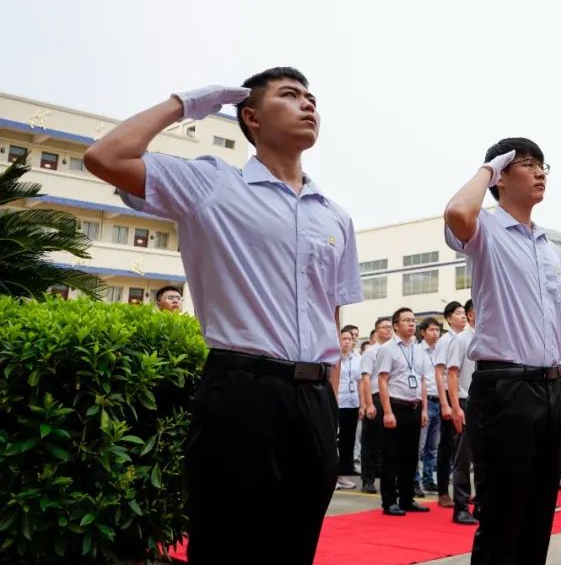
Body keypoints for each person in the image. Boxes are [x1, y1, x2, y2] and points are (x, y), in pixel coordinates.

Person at [84, 70, 363, 563]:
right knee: (227, 545)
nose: (308, 105)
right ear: (251, 117)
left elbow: (331, 314)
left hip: (315, 401)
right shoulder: (212, 183)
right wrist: (187, 103)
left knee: (296, 547)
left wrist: (327, 402)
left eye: (311, 98)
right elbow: (106, 157)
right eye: (290, 95)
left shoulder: (335, 216)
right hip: (242, 394)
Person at [443, 137, 561, 565]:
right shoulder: (485, 228)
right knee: (502, 518)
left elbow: (560, 330)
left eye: (543, 165)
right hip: (505, 387)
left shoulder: (549, 248)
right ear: (501, 176)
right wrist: (489, 168)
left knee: (538, 517)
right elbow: (456, 213)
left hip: (550, 389)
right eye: (527, 164)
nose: (539, 173)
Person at [375, 307, 432, 515]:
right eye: (406, 320)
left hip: (414, 407)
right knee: (392, 456)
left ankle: (407, 498)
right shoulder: (388, 349)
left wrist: (424, 409)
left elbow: (422, 380)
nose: (411, 324)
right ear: (396, 325)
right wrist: (387, 412)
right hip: (396, 406)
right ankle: (389, 501)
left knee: (411, 456)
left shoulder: (419, 349)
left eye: (413, 320)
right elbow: (382, 380)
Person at [434, 300, 468, 508]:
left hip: (463, 395)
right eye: (458, 313)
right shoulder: (445, 341)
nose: (462, 316)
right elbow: (440, 373)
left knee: (463, 449)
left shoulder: (467, 338)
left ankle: (462, 492)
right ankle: (442, 491)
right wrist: (445, 404)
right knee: (446, 446)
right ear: (448, 318)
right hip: (449, 395)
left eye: (464, 312)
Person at [446, 310, 479, 525]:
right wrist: (455, 407)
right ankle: (460, 507)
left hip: (487, 404)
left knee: (485, 459)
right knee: (463, 459)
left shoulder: (489, 337)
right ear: (471, 314)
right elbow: (452, 373)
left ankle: (481, 505)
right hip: (465, 402)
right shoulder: (461, 340)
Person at [359, 317, 394, 493]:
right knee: (370, 442)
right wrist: (368, 404)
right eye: (384, 327)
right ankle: (368, 480)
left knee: (389, 443)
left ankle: (389, 480)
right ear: (377, 330)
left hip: (393, 398)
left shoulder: (395, 350)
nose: (388, 330)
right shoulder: (371, 351)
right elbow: (365, 378)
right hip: (376, 397)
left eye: (390, 327)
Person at [416, 317, 442, 494]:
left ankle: (428, 479)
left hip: (440, 400)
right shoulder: (417, 351)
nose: (435, 333)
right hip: (425, 401)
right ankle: (414, 481)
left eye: (437, 330)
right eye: (432, 330)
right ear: (423, 332)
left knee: (433, 447)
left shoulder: (441, 350)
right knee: (419, 446)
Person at [336, 328, 362, 490]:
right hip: (338, 403)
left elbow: (361, 382)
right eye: (343, 338)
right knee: (336, 441)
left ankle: (343, 474)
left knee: (348, 441)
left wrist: (362, 404)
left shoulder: (357, 358)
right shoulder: (334, 358)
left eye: (349, 339)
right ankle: (333, 475)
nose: (346, 342)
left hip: (353, 404)